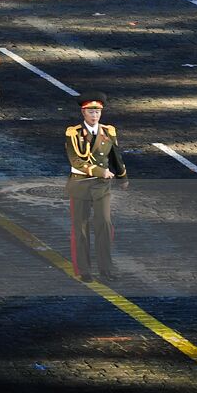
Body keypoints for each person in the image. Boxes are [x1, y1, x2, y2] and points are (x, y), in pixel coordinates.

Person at [66, 93, 127, 282]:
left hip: (101, 187)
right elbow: (76, 160)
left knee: (104, 224)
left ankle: (106, 267)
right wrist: (100, 171)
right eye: (91, 111)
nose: (95, 115)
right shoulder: (73, 133)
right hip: (80, 183)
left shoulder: (108, 132)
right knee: (81, 228)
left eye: (98, 112)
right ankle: (84, 269)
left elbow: (115, 156)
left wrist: (122, 176)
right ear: (83, 112)